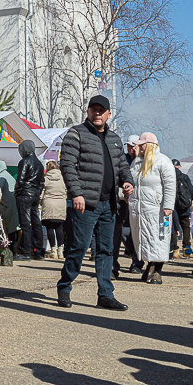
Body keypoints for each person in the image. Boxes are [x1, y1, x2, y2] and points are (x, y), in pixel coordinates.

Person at [56, 95, 134, 310]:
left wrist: (128, 182)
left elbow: (122, 166)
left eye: (102, 110)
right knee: (79, 247)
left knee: (106, 250)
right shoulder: (76, 133)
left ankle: (105, 295)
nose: (97, 113)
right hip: (85, 204)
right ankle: (64, 286)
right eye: (94, 109)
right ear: (88, 111)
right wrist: (76, 194)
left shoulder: (115, 138)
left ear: (109, 114)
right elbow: (67, 165)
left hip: (109, 204)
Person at [128, 133, 176, 285]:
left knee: (159, 239)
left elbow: (170, 185)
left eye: (141, 144)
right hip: (139, 209)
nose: (138, 147)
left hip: (158, 209)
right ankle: (150, 265)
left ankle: (157, 272)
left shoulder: (163, 161)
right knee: (144, 238)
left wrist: (168, 206)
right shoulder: (136, 163)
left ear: (148, 145)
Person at [15, 139, 46, 260]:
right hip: (35, 194)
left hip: (25, 194)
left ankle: (26, 252)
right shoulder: (39, 163)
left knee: (25, 223)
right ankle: (39, 251)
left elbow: (20, 180)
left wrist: (17, 192)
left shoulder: (24, 162)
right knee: (36, 222)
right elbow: (42, 182)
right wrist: (37, 192)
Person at [116, 135, 142, 277]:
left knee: (138, 233)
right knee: (125, 234)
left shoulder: (144, 161)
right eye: (129, 146)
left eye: (134, 146)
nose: (131, 149)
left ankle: (138, 263)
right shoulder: (123, 160)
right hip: (124, 202)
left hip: (140, 203)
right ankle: (135, 257)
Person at [0, 159, 20, 256]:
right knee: (15, 226)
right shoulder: (7, 175)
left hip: (8, 205)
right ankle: (13, 249)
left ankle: (12, 250)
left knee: (11, 227)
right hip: (14, 203)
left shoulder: (1, 178)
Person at [40, 160, 68, 259]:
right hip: (61, 203)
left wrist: (40, 201)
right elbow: (66, 190)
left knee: (50, 228)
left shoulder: (46, 178)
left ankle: (53, 250)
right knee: (59, 228)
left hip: (49, 203)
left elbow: (42, 192)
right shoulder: (63, 178)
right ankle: (61, 251)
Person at [171, 158, 193, 258]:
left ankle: (175, 250)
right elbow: (191, 191)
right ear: (179, 167)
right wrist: (188, 202)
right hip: (184, 206)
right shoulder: (185, 177)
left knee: (173, 227)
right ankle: (186, 249)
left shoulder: (170, 177)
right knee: (185, 227)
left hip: (173, 206)